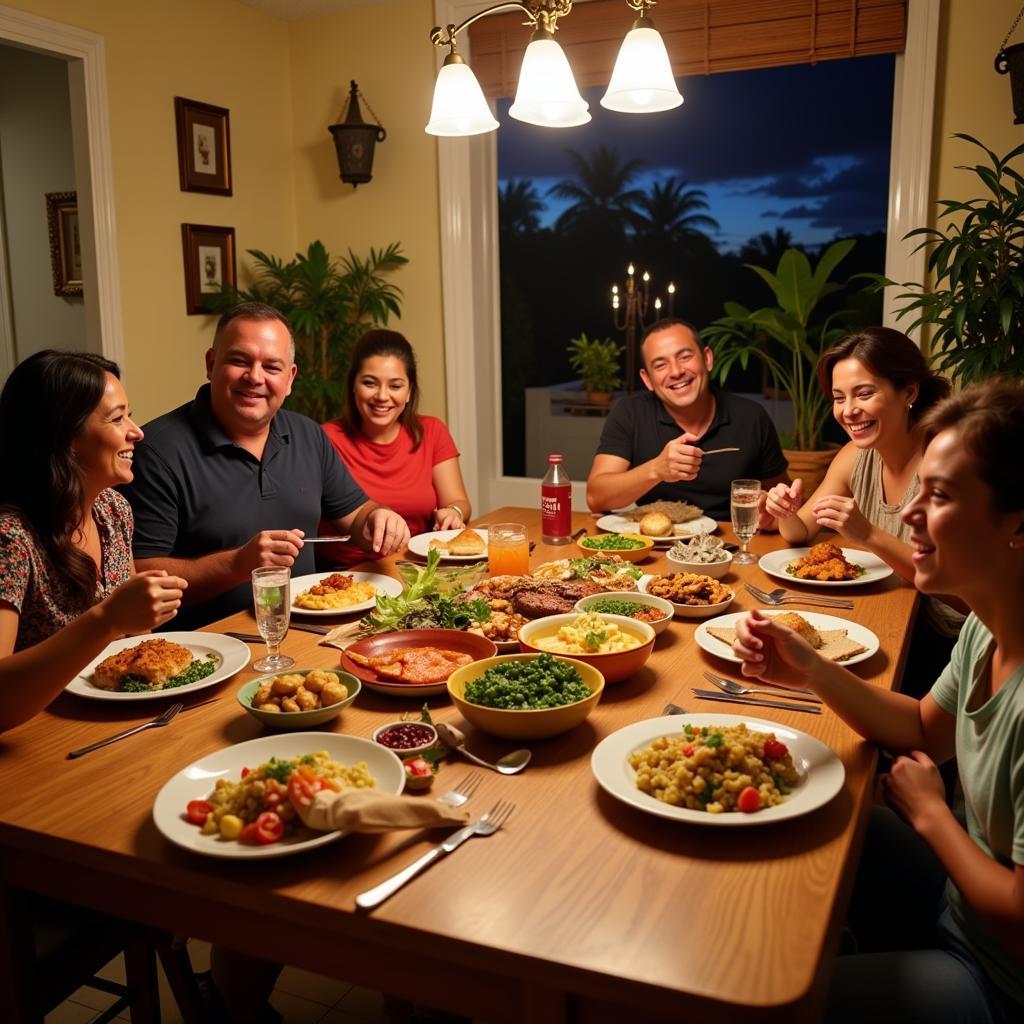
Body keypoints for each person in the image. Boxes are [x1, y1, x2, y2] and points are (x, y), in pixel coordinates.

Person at [733, 378, 1024, 1023]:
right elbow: (923, 725)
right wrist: (809, 669)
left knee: (765, 1005)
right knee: (821, 817)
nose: (910, 513)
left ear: (1017, 522)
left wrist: (931, 815)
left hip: (996, 980)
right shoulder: (987, 625)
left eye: (940, 495)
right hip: (959, 900)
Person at [123, 303, 410, 629]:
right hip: (208, 648)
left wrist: (378, 518)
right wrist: (236, 564)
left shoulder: (308, 434)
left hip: (309, 632)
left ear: (289, 378)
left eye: (272, 367)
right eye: (239, 361)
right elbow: (139, 574)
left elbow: (356, 514)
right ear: (210, 363)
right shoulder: (158, 450)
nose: (255, 377)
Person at [764, 327, 963, 694]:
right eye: (839, 398)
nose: (849, 410)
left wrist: (869, 535)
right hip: (891, 619)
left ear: (909, 392)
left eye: (865, 393)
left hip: (950, 644)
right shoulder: (855, 457)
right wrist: (786, 511)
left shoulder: (947, 460)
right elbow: (800, 532)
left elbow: (960, 591)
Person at [0, 350, 186, 732]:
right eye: (117, 418)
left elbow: (136, 643)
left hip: (116, 722)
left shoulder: (113, 510)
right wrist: (106, 619)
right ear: (66, 438)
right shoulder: (10, 539)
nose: (137, 431)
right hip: (36, 739)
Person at [585, 318, 789, 523]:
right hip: (654, 544)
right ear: (647, 380)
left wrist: (772, 510)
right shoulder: (629, 413)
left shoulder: (751, 416)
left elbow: (784, 505)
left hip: (731, 544)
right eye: (660, 365)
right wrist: (656, 469)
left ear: (707, 358)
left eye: (685, 356)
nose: (676, 371)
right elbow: (596, 498)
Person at [318, 329, 471, 568]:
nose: (382, 396)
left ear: (409, 391)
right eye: (370, 383)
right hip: (346, 577)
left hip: (417, 568)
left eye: (395, 386)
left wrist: (453, 513)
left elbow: (458, 501)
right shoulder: (324, 438)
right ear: (353, 387)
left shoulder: (431, 431)